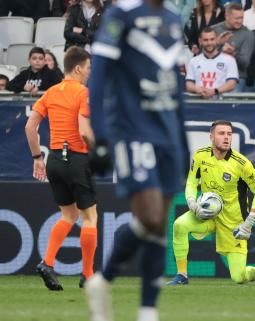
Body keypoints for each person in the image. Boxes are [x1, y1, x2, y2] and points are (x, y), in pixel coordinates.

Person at [84, 0, 190, 321]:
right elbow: (98, 77)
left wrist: (183, 143)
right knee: (151, 216)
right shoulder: (122, 14)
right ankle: (107, 279)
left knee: (158, 224)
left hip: (168, 133)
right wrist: (101, 136)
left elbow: (176, 88)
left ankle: (146, 309)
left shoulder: (173, 19)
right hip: (133, 131)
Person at [167, 120, 255, 286]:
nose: (226, 137)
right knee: (179, 225)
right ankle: (182, 275)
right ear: (211, 136)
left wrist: (249, 223)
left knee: (239, 277)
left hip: (233, 222)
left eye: (229, 134)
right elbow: (191, 182)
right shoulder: (200, 156)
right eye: (221, 133)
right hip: (207, 213)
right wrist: (191, 202)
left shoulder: (242, 164)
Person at [24, 46, 97, 291]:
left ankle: (47, 262)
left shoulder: (51, 92)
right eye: (88, 68)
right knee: (90, 217)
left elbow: (29, 127)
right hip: (77, 159)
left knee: (69, 215)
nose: (89, 72)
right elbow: (84, 131)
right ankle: (87, 275)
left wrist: (37, 157)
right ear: (78, 68)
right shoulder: (83, 92)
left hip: (54, 159)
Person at [212, 2, 255, 92]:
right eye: (237, 18)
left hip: (237, 77)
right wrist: (218, 44)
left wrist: (233, 53)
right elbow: (201, 54)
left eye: (242, 18)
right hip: (213, 74)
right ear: (227, 16)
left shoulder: (248, 35)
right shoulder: (214, 30)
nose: (240, 21)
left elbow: (245, 64)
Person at [185, 27, 238, 97]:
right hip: (199, 102)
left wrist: (214, 91)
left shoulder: (229, 60)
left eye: (212, 39)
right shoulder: (193, 61)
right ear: (200, 41)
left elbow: (232, 84)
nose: (209, 43)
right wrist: (197, 89)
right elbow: (188, 84)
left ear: (216, 39)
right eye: (206, 40)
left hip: (221, 103)